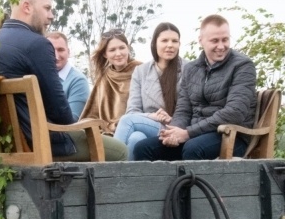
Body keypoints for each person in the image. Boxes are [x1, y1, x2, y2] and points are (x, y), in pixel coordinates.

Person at [0, 0, 126, 161]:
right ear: (27, 7)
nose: (51, 15)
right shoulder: (37, 44)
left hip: (1, 146)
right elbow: (62, 114)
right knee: (121, 150)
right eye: (47, 8)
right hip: (40, 144)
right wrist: (82, 124)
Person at [133, 14, 256, 161]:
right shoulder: (192, 69)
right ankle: (159, 185)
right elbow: (183, 110)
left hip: (231, 135)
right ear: (201, 41)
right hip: (196, 134)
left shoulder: (242, 66)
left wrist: (188, 133)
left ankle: (187, 185)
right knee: (143, 148)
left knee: (192, 148)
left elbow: (235, 113)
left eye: (225, 39)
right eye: (215, 41)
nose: (221, 46)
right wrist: (173, 132)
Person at [113, 22, 184, 160]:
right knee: (135, 138)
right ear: (154, 43)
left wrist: (171, 119)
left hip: (176, 128)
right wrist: (152, 116)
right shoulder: (141, 71)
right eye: (164, 40)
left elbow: (192, 109)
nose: (170, 45)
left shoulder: (189, 69)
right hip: (151, 124)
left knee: (126, 121)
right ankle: (131, 181)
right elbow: (133, 110)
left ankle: (107, 173)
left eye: (175, 41)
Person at [79, 29, 140, 134]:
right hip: (108, 132)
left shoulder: (141, 70)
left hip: (136, 129)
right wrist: (109, 126)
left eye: (122, 48)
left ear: (128, 48)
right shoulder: (103, 78)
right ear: (105, 54)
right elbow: (90, 117)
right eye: (112, 50)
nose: (118, 53)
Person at [46, 31, 90, 121]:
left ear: (68, 52)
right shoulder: (38, 76)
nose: (56, 55)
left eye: (60, 50)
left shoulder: (78, 81)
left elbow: (71, 121)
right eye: (51, 50)